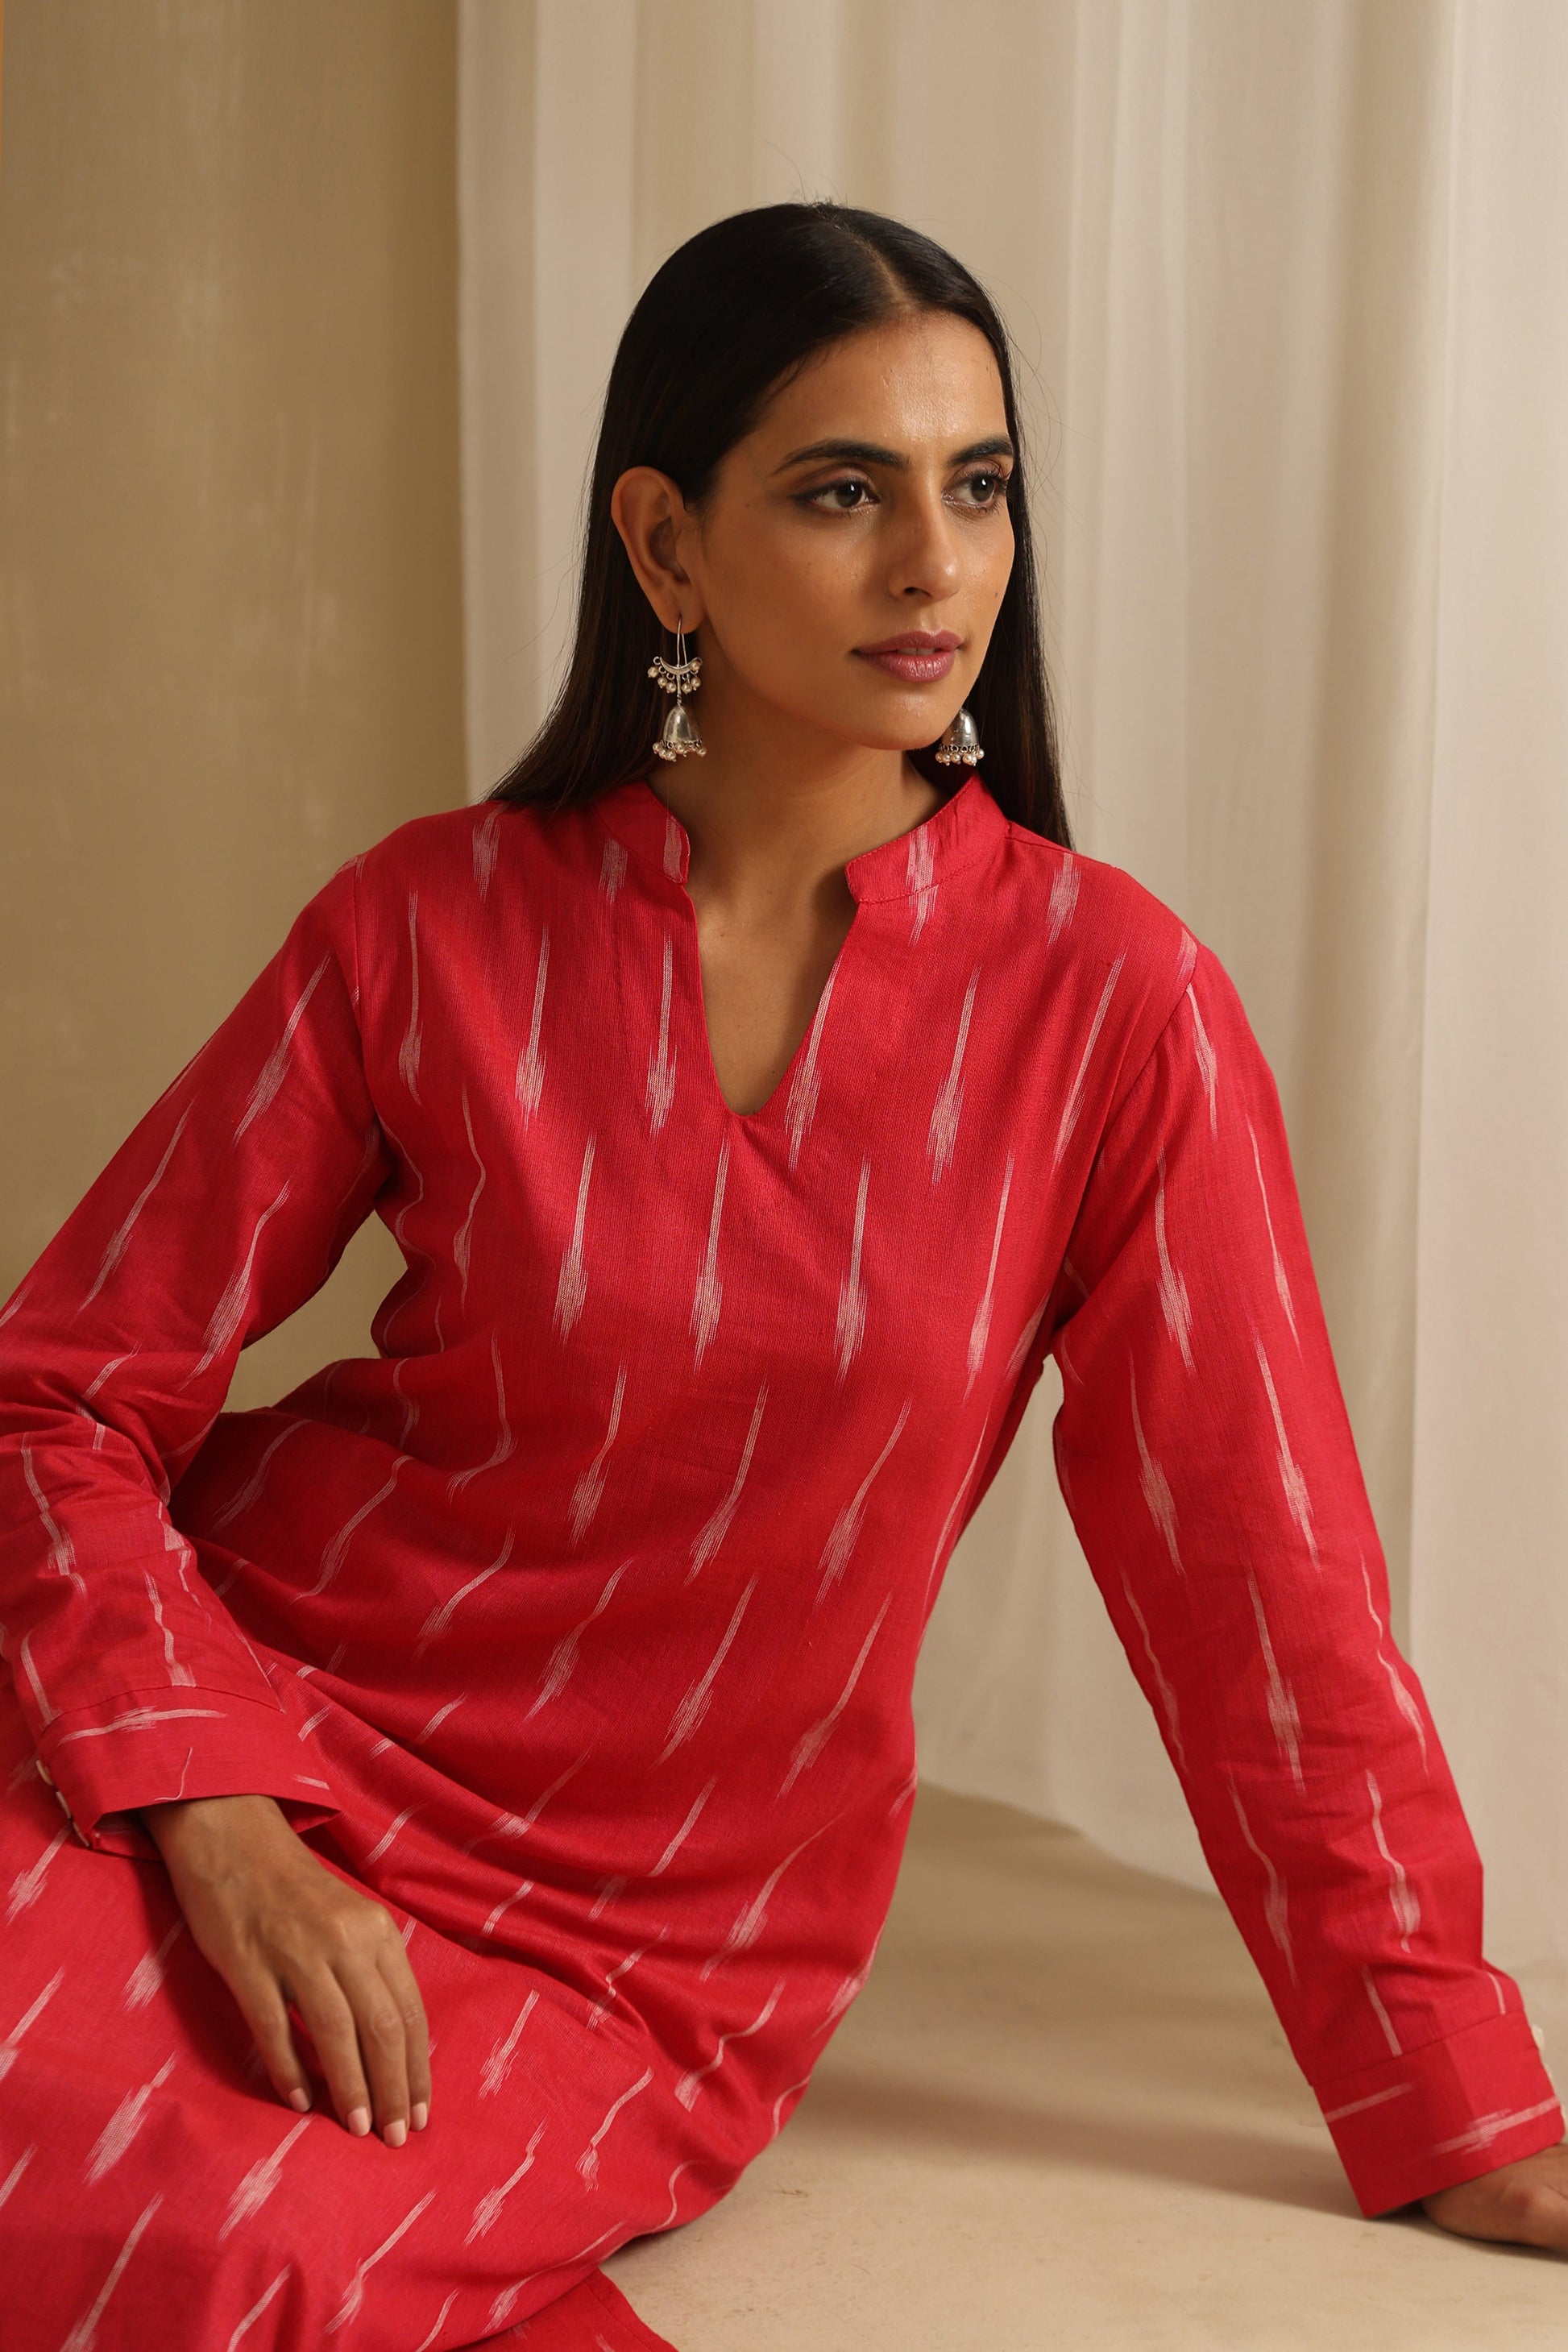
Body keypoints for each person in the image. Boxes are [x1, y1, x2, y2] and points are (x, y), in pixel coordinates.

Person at [0, 201, 1563, 2352]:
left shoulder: (1113, 1007)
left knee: (222, 2255)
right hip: (216, 1733)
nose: (936, 565)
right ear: (664, 545)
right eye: (844, 493)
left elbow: (1256, 1581)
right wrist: (215, 1805)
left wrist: (1449, 2092)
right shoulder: (430, 924)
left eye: (977, 487)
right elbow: (60, 1390)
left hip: (636, 1919)